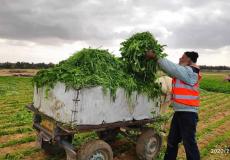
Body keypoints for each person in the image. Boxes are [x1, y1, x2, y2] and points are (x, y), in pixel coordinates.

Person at [146, 51, 201, 160]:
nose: (179, 59)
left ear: (189, 60)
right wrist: (153, 61)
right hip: (180, 112)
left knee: (189, 143)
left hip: (188, 114)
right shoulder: (183, 73)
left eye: (182, 57)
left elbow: (173, 68)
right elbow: (169, 69)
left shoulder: (190, 72)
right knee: (172, 141)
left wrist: (156, 57)